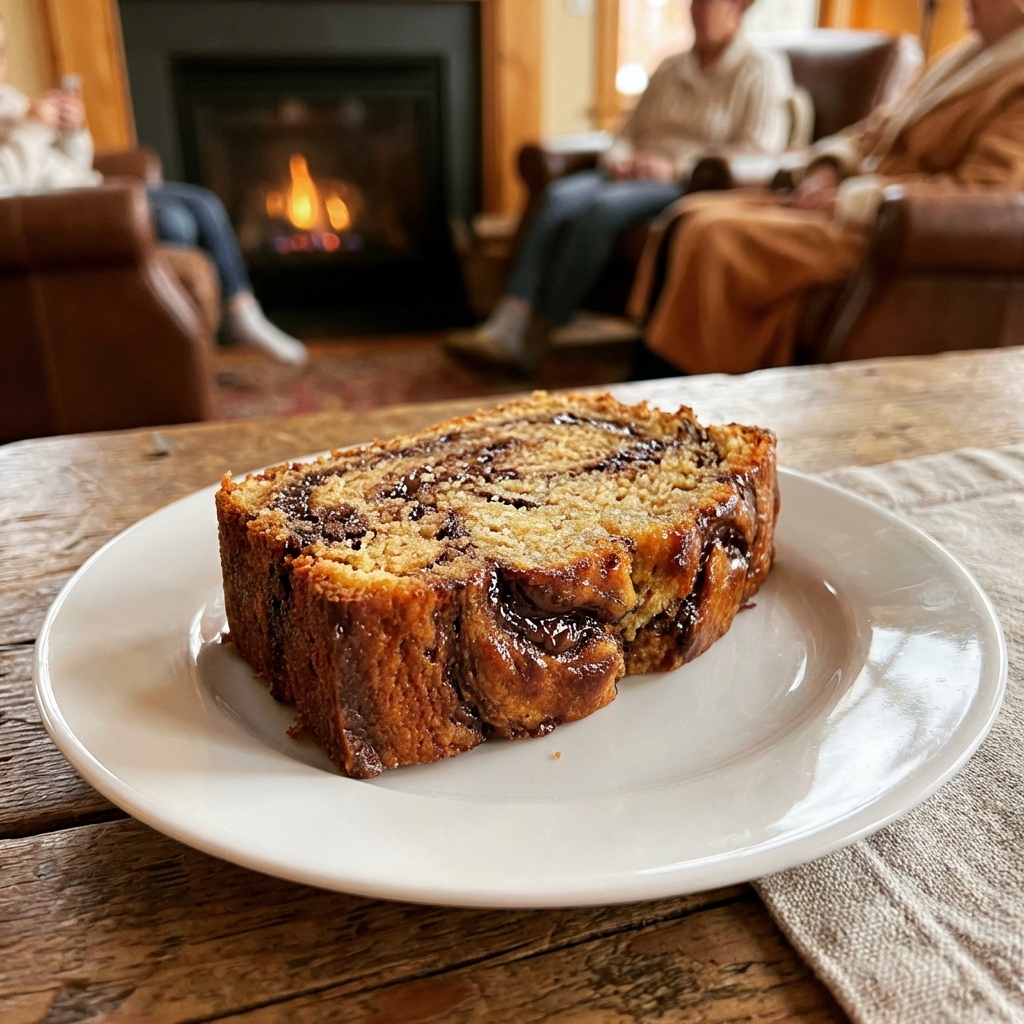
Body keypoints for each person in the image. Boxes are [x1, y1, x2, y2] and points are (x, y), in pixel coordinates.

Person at [629, 0, 1024, 378]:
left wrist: (853, 199)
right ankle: (649, 378)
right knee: (691, 213)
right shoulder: (959, 59)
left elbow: (982, 193)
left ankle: (686, 391)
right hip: (846, 204)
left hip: (883, 231)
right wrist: (829, 169)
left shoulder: (1016, 81)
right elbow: (875, 131)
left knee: (714, 236)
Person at [448, 0, 793, 371]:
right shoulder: (670, 66)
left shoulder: (761, 68)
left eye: (710, 3)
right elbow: (627, 131)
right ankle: (511, 318)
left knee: (601, 210)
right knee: (558, 197)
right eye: (695, 3)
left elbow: (759, 150)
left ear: (738, 8)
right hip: (633, 169)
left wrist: (674, 167)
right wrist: (623, 161)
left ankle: (540, 329)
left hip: (685, 182)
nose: (699, 11)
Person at [0, 16, 307, 366]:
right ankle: (180, 347)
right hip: (67, 210)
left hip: (92, 189)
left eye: (2, 53)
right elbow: (7, 183)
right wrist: (32, 128)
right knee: (174, 223)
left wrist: (71, 131)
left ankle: (243, 313)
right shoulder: (20, 117)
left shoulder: (9, 100)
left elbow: (75, 164)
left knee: (203, 202)